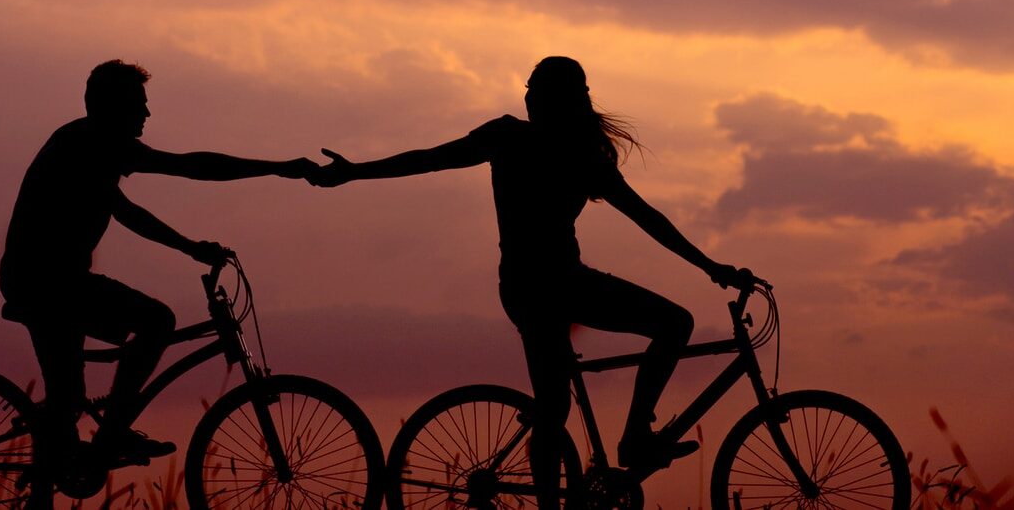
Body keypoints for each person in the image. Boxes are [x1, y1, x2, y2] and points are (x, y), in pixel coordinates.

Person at [308, 55, 752, 509]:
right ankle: (634, 438)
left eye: (536, 89)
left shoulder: (561, 149)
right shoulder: (535, 143)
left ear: (559, 99)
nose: (528, 96)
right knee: (659, 334)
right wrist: (356, 171)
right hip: (550, 287)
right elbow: (430, 160)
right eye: (529, 88)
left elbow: (646, 217)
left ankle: (619, 448)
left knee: (559, 402)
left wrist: (709, 265)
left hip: (541, 286)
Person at [0, 59, 318, 466]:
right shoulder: (92, 143)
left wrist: (190, 247)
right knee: (156, 322)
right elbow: (190, 167)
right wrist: (278, 169)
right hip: (46, 284)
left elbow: (127, 211)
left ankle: (66, 454)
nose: (147, 113)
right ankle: (111, 433)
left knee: (68, 403)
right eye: (138, 104)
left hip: (52, 282)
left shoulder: (88, 147)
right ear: (112, 107)